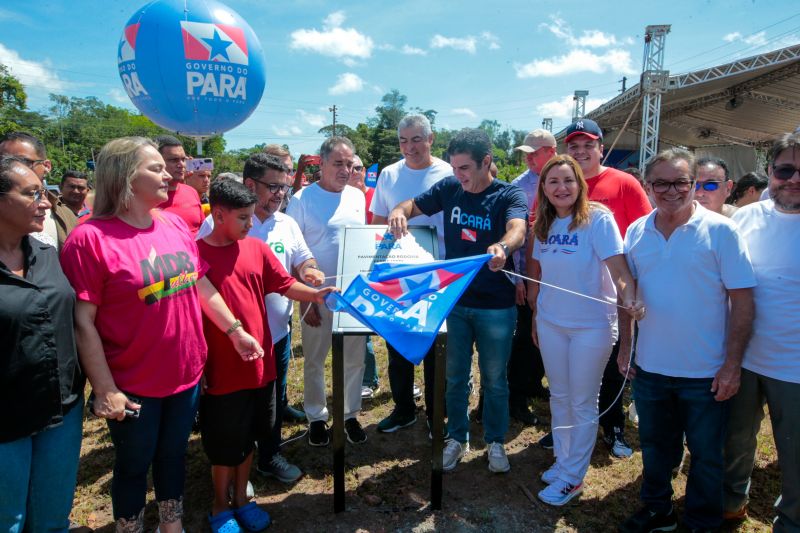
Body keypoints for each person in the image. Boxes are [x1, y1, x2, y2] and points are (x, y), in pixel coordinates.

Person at [60, 137, 263, 533]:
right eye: (155, 168)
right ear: (124, 177)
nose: (169, 174)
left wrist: (234, 330)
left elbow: (200, 285)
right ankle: (130, 526)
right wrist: (104, 389)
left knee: (173, 457)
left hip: (185, 375)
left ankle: (172, 524)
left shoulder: (172, 224)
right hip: (133, 384)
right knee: (134, 465)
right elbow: (82, 322)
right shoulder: (89, 239)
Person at [618, 148, 755, 532]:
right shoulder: (636, 231)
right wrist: (627, 347)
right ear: (648, 186)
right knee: (657, 451)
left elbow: (742, 301)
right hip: (651, 368)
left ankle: (700, 522)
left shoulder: (722, 231)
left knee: (707, 456)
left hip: (705, 372)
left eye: (681, 181)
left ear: (694, 184)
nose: (671, 190)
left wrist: (731, 366)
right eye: (661, 182)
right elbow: (626, 293)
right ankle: (658, 509)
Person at [197, 178, 335, 533]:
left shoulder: (256, 249)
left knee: (249, 438)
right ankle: (219, 506)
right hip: (223, 370)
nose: (249, 224)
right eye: (242, 218)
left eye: (250, 217)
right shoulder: (195, 256)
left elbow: (284, 283)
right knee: (224, 444)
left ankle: (242, 499)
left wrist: (316, 294)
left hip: (261, 365)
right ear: (218, 213)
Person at [388, 128, 528, 473]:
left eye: (465, 168)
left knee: (495, 378)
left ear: (486, 162)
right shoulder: (451, 189)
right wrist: (398, 210)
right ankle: (456, 437)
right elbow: (412, 204)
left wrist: (503, 247)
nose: (458, 175)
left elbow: (518, 229)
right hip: (455, 303)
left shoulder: (508, 194)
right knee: (454, 376)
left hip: (496, 306)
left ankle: (495, 442)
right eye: (454, 167)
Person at [527, 154, 642, 506]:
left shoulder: (598, 219)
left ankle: (573, 477)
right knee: (559, 398)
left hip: (591, 327)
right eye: (553, 182)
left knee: (582, 401)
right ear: (543, 189)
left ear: (580, 184)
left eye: (568, 180)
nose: (561, 188)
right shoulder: (543, 225)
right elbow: (541, 277)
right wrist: (535, 318)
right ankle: (564, 463)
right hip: (551, 323)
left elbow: (620, 271)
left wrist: (630, 298)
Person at [0, 157, 84, 532]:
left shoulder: (48, 255)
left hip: (60, 410)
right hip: (6, 423)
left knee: (52, 517)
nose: (47, 203)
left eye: (44, 192)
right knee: (9, 520)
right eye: (32, 193)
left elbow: (76, 323)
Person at [563, 118, 652, 458]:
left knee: (615, 362)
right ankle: (567, 426)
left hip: (614, 291)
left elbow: (644, 231)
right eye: (574, 146)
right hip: (571, 292)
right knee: (570, 365)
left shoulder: (624, 183)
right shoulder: (559, 183)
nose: (581, 151)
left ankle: (612, 424)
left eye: (588, 145)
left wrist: (634, 286)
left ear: (601, 147)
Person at [724, 132, 800, 531]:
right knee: (735, 443)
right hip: (745, 358)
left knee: (795, 457)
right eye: (785, 169)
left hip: (796, 369)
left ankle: (790, 523)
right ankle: (731, 504)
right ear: (770, 171)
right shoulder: (748, 217)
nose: (794, 179)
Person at [370, 114, 452, 435]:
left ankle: (436, 414)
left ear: (431, 139)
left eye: (416, 139)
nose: (409, 147)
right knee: (397, 346)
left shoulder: (447, 173)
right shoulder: (389, 175)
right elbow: (377, 222)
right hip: (397, 274)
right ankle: (404, 408)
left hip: (437, 274)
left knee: (435, 349)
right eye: (403, 141)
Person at [286, 136, 369, 447]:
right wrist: (306, 299)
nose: (346, 170)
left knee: (354, 359)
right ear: (321, 164)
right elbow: (294, 253)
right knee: (315, 359)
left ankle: (349, 414)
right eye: (339, 163)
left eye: (350, 164)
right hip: (316, 296)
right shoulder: (302, 199)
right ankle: (317, 417)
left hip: (353, 297)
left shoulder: (357, 197)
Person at [507, 129, 557, 425]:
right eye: (526, 152)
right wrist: (518, 279)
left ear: (550, 151)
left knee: (547, 336)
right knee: (525, 336)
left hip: (560, 278)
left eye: (533, 152)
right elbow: (516, 236)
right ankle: (518, 395)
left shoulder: (568, 178)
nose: (527, 157)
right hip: (529, 275)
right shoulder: (519, 187)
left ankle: (533, 383)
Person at [0, 131, 78, 249]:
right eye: (3, 162)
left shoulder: (66, 214)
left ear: (46, 166)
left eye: (23, 162)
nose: (12, 169)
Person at [155, 135, 204, 236]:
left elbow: (202, 231)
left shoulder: (192, 192)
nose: (181, 165)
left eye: (183, 159)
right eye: (174, 160)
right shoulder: (145, 197)